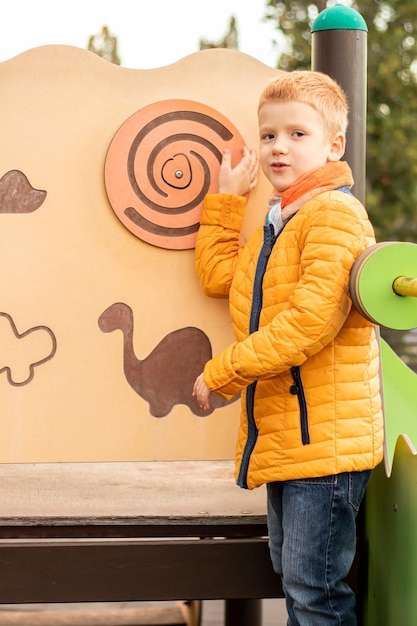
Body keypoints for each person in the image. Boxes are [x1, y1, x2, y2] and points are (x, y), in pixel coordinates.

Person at [192, 70, 384, 625]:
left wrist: (223, 372)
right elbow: (221, 277)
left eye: (298, 134)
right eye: (269, 134)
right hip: (290, 438)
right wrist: (229, 202)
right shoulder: (281, 221)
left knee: (314, 591)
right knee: (296, 579)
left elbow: (308, 323)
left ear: (333, 144)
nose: (279, 147)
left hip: (323, 445)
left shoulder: (334, 216)